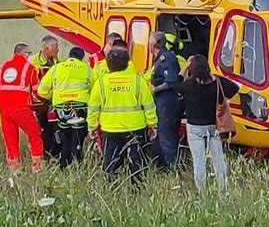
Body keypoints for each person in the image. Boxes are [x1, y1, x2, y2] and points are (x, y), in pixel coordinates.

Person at [88, 46, 157, 184]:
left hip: (110, 129)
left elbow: (93, 108)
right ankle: (137, 192)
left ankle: (110, 189)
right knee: (136, 164)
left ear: (107, 64)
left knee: (110, 163)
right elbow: (149, 106)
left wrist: (92, 127)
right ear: (127, 63)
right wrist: (153, 124)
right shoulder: (138, 82)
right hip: (135, 128)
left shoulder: (101, 83)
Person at [176, 54, 239, 195]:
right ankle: (223, 191)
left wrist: (185, 68)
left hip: (195, 128)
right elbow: (235, 88)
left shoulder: (189, 85)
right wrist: (223, 98)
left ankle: (202, 193)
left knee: (199, 162)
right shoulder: (218, 82)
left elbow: (175, 84)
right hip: (214, 127)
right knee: (218, 160)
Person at [0, 43, 44, 173]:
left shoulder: (2, 67)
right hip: (22, 109)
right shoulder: (29, 68)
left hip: (4, 111)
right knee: (34, 135)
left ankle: (14, 170)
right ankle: (37, 168)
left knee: (10, 141)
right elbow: (38, 91)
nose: (29, 56)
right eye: (29, 54)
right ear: (24, 54)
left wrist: (2, 102)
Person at [37, 47, 92, 168]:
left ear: (69, 55)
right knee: (78, 135)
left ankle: (64, 164)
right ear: (82, 57)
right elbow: (95, 89)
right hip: (80, 106)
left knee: (65, 135)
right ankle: (77, 163)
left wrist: (52, 97)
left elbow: (41, 91)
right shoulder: (87, 69)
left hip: (61, 107)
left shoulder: (56, 68)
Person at [149, 31, 180, 168]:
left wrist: (155, 89)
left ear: (154, 45)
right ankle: (161, 164)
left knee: (166, 132)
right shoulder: (161, 58)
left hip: (166, 101)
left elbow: (171, 81)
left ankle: (170, 164)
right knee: (161, 132)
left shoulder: (165, 59)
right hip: (162, 101)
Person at [31, 35, 60, 159]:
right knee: (42, 131)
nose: (58, 50)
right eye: (55, 47)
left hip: (54, 102)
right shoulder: (33, 62)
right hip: (38, 104)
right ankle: (45, 156)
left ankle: (55, 155)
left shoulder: (58, 61)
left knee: (56, 130)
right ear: (45, 48)